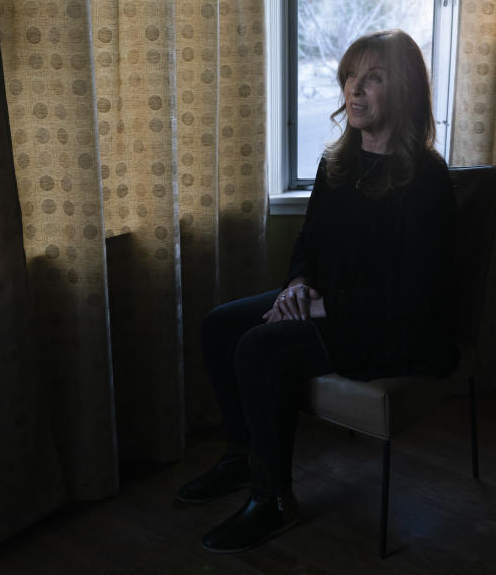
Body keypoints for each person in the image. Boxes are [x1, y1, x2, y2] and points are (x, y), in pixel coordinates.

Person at [177, 29, 458, 553]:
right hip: (328, 302)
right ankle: (243, 455)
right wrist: (300, 285)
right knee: (220, 326)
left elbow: (415, 294)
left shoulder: (426, 179)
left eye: (373, 78)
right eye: (351, 76)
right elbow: (309, 243)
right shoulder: (338, 164)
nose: (355, 90)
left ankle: (273, 499)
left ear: (404, 90)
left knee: (258, 347)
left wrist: (322, 305)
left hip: (395, 327)